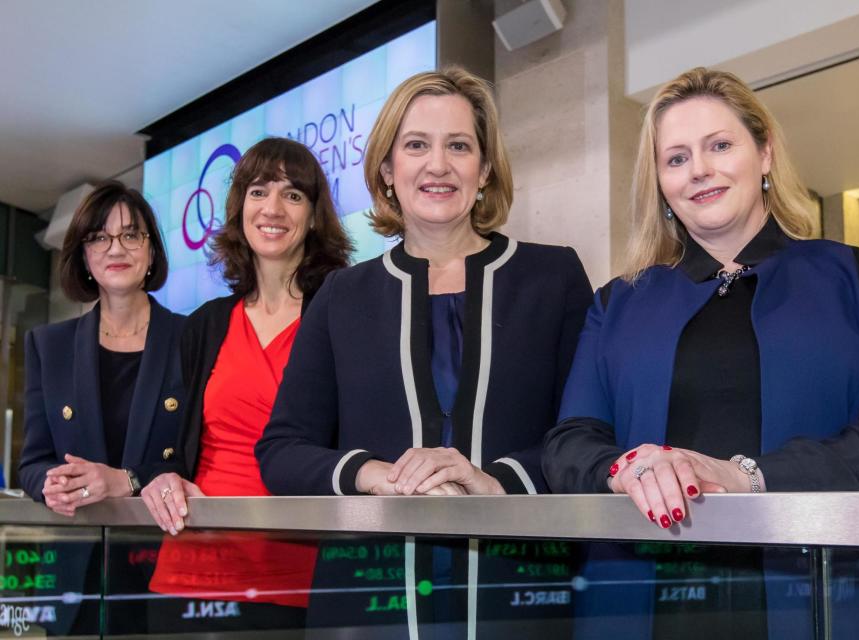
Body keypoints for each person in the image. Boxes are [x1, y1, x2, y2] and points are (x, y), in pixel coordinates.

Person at [541, 67, 859, 640]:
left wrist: (746, 476)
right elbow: (569, 442)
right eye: (675, 158)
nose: (699, 169)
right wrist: (626, 470)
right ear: (659, 182)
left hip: (824, 597)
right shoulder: (617, 302)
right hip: (642, 605)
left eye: (720, 146)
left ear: (765, 154)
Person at [255, 67, 592, 635]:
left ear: (484, 169)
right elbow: (282, 449)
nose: (438, 165)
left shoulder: (552, 277)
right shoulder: (342, 294)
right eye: (416, 145)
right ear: (388, 169)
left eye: (458, 146)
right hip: (368, 600)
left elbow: (585, 435)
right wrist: (372, 474)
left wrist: (494, 479)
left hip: (521, 595)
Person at [139, 137, 353, 632]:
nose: (273, 208)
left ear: (315, 215)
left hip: (298, 576)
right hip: (189, 574)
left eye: (293, 195)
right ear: (240, 209)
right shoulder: (206, 325)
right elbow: (166, 445)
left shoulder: (342, 316)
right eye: (258, 192)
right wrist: (162, 474)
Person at [18, 179, 183, 635]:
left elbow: (201, 458)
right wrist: (50, 483)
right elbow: (32, 462)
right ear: (85, 255)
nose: (117, 247)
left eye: (132, 235)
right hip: (75, 572)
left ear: (151, 252)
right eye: (100, 236)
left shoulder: (192, 340)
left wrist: (126, 480)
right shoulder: (48, 346)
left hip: (165, 565)